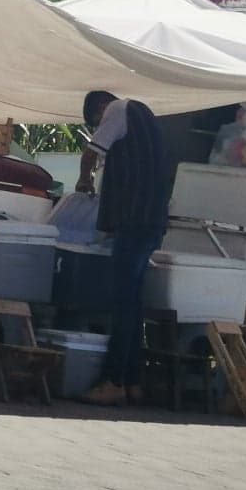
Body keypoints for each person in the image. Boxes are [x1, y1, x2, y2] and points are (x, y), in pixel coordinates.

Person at [75, 90, 172, 406]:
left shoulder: (118, 108)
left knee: (122, 304)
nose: (98, 125)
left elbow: (90, 154)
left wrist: (84, 181)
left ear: (100, 108)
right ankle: (133, 381)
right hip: (153, 222)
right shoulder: (147, 119)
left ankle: (113, 380)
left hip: (134, 222)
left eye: (95, 121)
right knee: (133, 303)